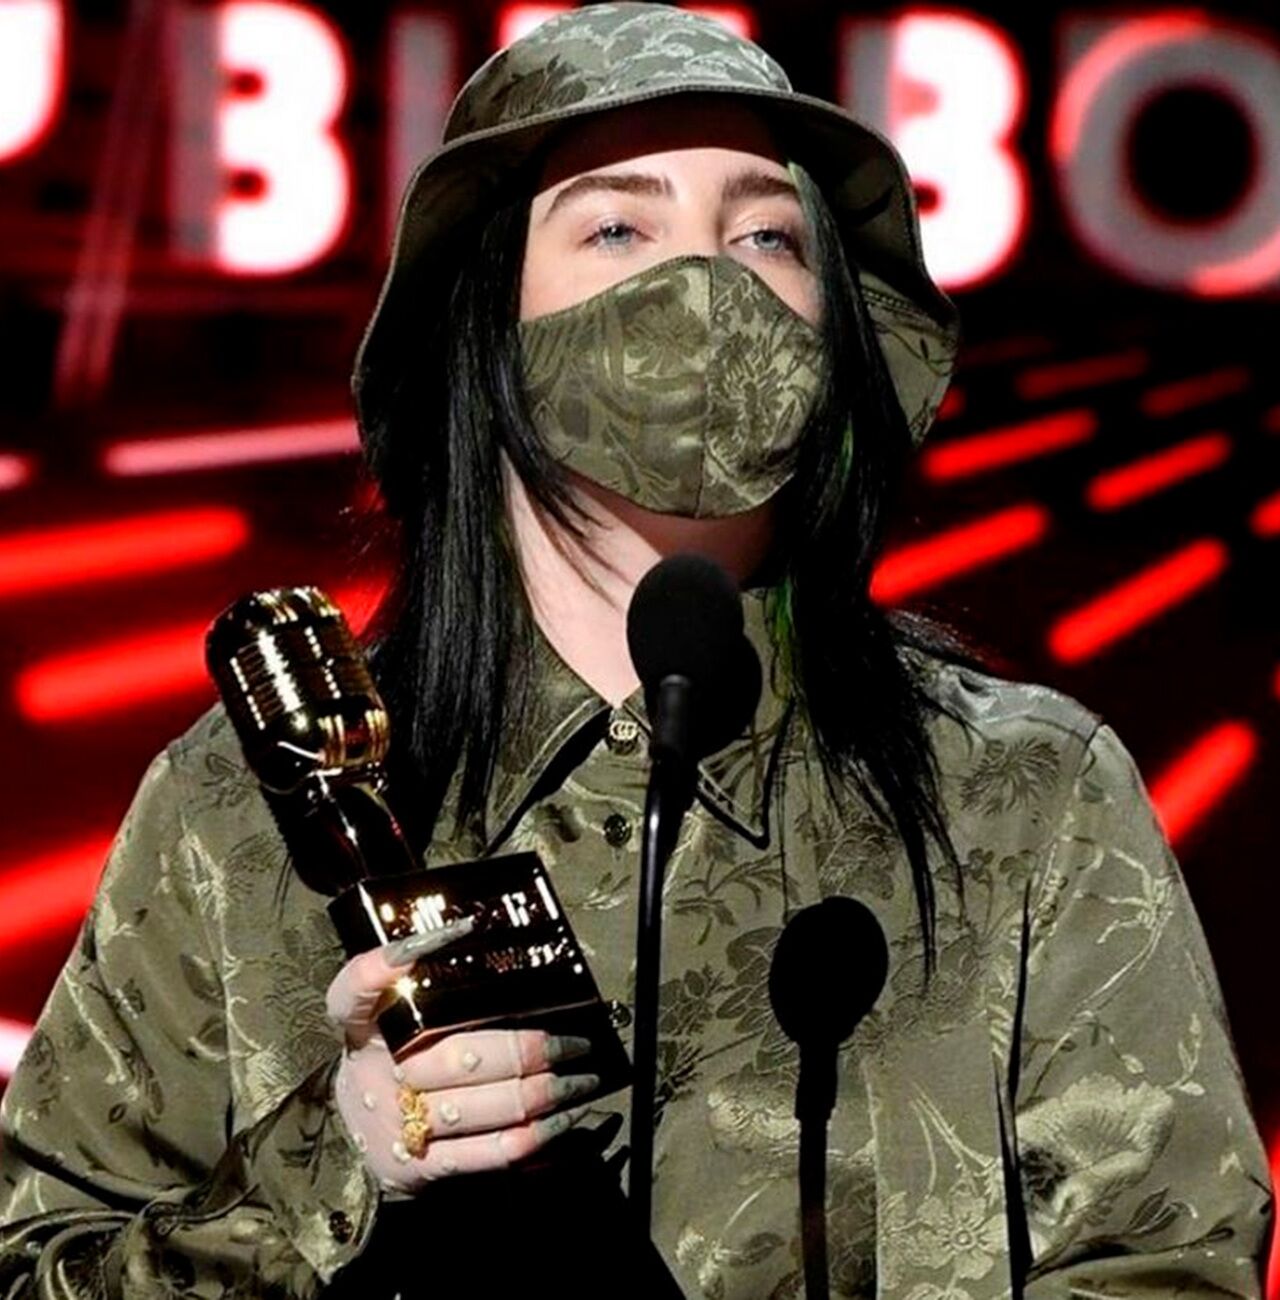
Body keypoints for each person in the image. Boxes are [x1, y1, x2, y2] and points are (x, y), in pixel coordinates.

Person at [0, 5, 1271, 1297]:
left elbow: (1172, 1266)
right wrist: (332, 1164)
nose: (708, 281)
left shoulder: (1024, 798)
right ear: (483, 323)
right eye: (618, 228)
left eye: (766, 236)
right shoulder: (237, 815)